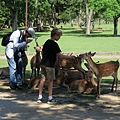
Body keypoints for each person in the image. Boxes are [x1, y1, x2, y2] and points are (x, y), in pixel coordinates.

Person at [37, 28, 75, 104]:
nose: (59, 38)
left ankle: (39, 97)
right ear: (55, 35)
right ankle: (50, 98)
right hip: (49, 65)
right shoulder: (54, 44)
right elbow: (60, 56)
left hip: (43, 63)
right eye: (59, 36)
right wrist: (70, 57)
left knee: (42, 80)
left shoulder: (47, 42)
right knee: (51, 81)